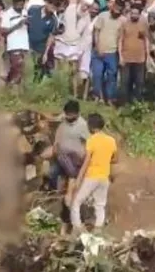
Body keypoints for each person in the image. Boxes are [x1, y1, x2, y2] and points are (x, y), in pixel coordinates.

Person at [68, 112, 117, 232]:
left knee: (76, 202)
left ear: (91, 126)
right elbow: (116, 159)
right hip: (104, 178)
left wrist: (78, 179)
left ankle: (77, 229)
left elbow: (86, 162)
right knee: (100, 206)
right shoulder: (111, 140)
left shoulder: (92, 140)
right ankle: (98, 231)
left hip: (92, 177)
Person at [52, 100, 90, 234]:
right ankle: (67, 222)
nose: (68, 117)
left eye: (71, 115)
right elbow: (56, 141)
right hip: (63, 160)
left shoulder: (82, 125)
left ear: (77, 114)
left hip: (76, 162)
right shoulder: (63, 123)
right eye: (67, 114)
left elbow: (88, 146)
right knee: (57, 179)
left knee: (73, 194)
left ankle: (75, 225)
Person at [92, 0, 124, 105]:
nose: (117, 12)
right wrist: (98, 47)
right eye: (116, 9)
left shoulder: (122, 20)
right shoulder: (103, 16)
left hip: (112, 52)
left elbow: (120, 38)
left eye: (119, 10)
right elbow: (96, 32)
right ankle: (98, 96)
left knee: (112, 76)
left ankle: (110, 98)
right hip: (99, 51)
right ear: (112, 7)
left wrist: (120, 54)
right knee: (97, 74)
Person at [119, 3, 149, 104]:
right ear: (130, 13)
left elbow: (146, 40)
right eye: (132, 13)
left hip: (140, 59)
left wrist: (147, 55)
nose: (134, 15)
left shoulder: (143, 24)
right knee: (125, 83)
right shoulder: (125, 24)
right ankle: (124, 104)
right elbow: (120, 40)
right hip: (126, 58)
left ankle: (137, 104)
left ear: (140, 14)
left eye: (136, 14)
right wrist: (120, 56)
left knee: (139, 82)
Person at [27, 0, 59, 82]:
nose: (53, 7)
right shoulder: (33, 10)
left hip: (40, 48)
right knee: (27, 71)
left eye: (55, 6)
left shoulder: (53, 20)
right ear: (46, 3)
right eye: (51, 4)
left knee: (37, 73)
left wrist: (46, 53)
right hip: (27, 46)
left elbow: (50, 37)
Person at [1, 0, 28, 85]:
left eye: (22, 4)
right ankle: (9, 85)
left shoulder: (26, 12)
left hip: (25, 45)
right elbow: (3, 31)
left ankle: (16, 90)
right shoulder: (7, 14)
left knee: (23, 70)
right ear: (14, 3)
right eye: (18, 5)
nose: (20, 7)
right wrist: (18, 25)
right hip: (13, 45)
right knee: (16, 67)